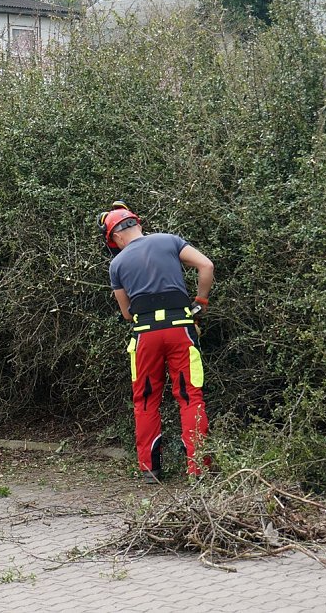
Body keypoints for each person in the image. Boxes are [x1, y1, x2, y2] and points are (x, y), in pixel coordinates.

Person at [98, 201, 214, 483]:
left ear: (116, 236)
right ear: (137, 224)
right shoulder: (169, 241)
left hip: (145, 335)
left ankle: (150, 470)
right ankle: (198, 469)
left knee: (146, 400)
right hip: (181, 330)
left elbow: (127, 314)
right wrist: (200, 302)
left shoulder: (117, 264)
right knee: (190, 396)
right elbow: (206, 265)